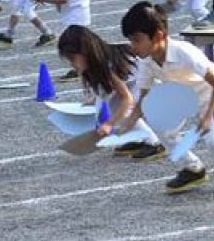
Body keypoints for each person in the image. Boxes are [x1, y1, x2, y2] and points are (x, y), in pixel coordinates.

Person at [117, 1, 214, 196]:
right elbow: (144, 97)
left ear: (159, 35)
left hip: (209, 94)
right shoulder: (146, 61)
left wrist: (207, 117)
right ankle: (193, 169)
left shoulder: (184, 52)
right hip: (181, 96)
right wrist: (129, 122)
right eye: (130, 40)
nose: (133, 46)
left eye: (137, 40)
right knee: (161, 126)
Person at [57, 25, 162, 158]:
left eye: (72, 59)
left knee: (119, 108)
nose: (71, 64)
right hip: (138, 80)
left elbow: (127, 99)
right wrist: (93, 101)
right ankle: (140, 138)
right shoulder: (95, 64)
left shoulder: (107, 66)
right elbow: (105, 92)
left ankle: (154, 143)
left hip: (151, 80)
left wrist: (109, 124)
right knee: (113, 105)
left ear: (85, 51)